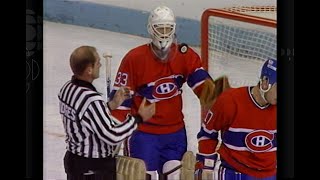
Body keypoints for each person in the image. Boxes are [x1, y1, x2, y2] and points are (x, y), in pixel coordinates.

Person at [109, 6, 216, 179]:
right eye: (160, 28)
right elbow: (120, 104)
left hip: (175, 134)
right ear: (151, 29)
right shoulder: (134, 59)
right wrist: (113, 136)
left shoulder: (185, 56)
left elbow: (205, 89)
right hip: (143, 134)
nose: (164, 33)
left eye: (168, 28)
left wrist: (224, 102)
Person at [58, 45, 155, 180]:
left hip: (74, 161)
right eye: (97, 62)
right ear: (89, 70)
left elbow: (85, 115)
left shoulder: (67, 89)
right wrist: (138, 118)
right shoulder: (91, 99)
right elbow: (112, 135)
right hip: (93, 169)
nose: (101, 64)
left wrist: (112, 104)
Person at [196, 58, 277, 180]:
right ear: (265, 82)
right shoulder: (229, 101)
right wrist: (206, 166)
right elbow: (207, 134)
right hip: (234, 173)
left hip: (269, 174)